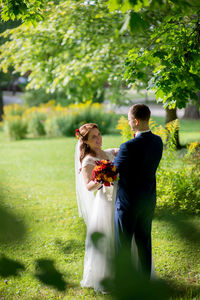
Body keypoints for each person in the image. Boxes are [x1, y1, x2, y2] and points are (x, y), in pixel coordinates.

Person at [114, 104, 163, 279]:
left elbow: (113, 172)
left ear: (135, 121)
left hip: (128, 202)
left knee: (123, 244)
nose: (128, 124)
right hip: (148, 199)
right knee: (144, 242)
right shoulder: (158, 141)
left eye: (129, 120)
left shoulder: (128, 147)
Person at [75, 123, 118, 292]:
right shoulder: (88, 161)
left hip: (118, 197)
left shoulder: (107, 152)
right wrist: (101, 177)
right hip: (105, 201)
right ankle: (107, 276)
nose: (99, 139)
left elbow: (121, 150)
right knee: (108, 235)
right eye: (94, 137)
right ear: (85, 141)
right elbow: (88, 186)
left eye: (99, 134)